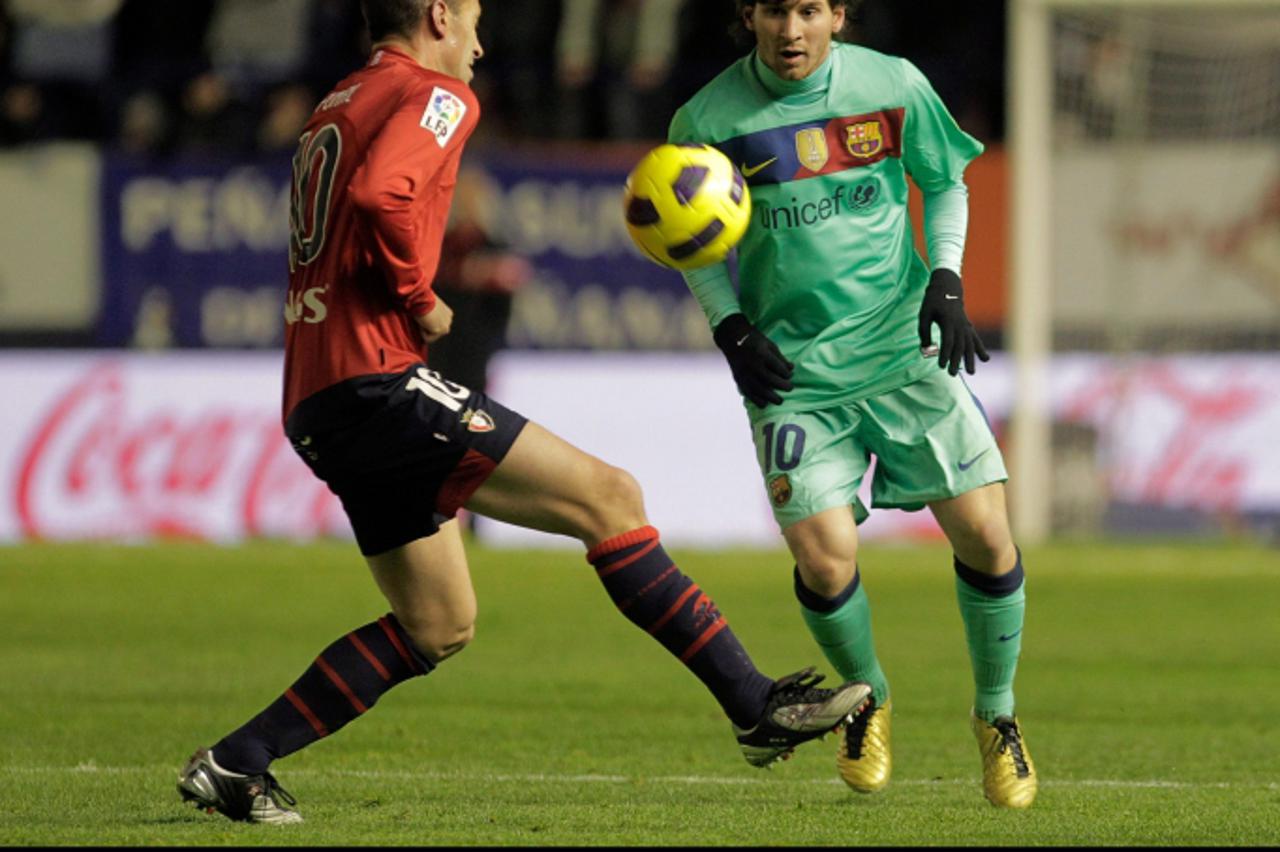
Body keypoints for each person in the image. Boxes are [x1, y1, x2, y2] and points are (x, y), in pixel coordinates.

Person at [175, 0, 871, 825]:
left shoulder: (340, 99)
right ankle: (754, 705)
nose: (480, 40)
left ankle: (238, 761)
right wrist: (419, 298)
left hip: (318, 396)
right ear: (437, 14)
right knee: (608, 498)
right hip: (378, 379)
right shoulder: (439, 96)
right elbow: (376, 193)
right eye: (471, 18)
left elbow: (355, 193)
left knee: (437, 623)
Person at [667, 0, 1036, 809]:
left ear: (837, 14)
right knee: (825, 556)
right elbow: (686, 238)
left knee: (985, 530)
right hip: (793, 372)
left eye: (808, 9)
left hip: (901, 349)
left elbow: (946, 182)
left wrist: (944, 276)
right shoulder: (706, 118)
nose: (790, 30)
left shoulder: (892, 85)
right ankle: (863, 700)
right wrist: (729, 327)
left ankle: (998, 718)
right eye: (774, 10)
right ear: (749, 15)